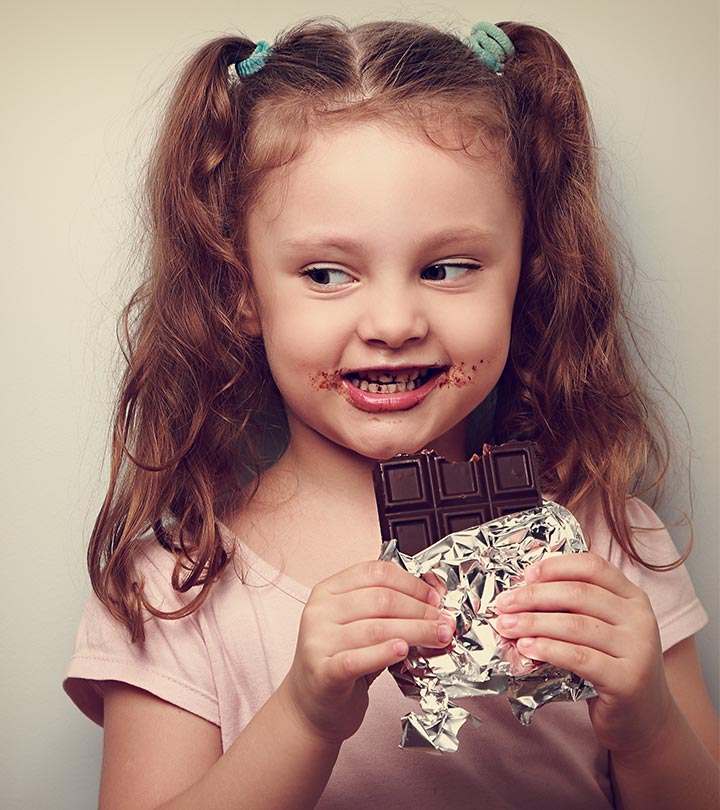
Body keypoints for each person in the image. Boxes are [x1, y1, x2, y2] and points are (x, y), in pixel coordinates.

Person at [64, 18, 719, 809]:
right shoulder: (176, 586)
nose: (394, 321)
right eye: (327, 273)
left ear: (528, 270)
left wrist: (647, 723)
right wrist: (304, 716)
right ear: (239, 288)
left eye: (446, 267)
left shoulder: (610, 541)